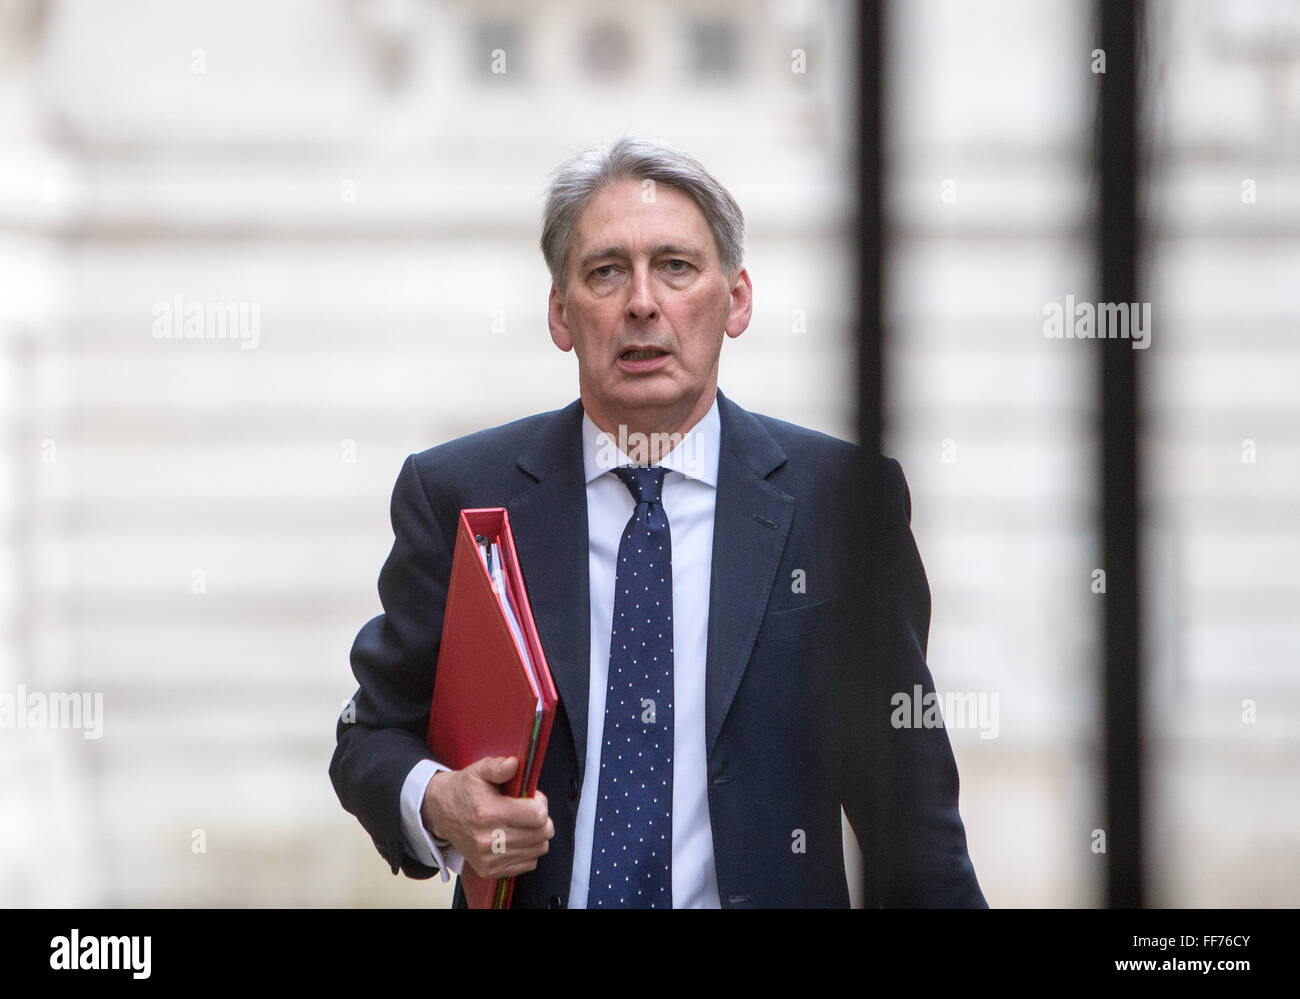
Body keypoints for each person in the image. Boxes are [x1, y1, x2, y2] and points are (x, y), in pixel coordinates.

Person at [329, 136, 986, 908]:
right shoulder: (461, 494)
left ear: (736, 298)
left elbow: (912, 819)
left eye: (675, 266)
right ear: (561, 312)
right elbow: (370, 734)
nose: (642, 302)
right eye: (606, 271)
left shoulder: (841, 502)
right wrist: (439, 799)